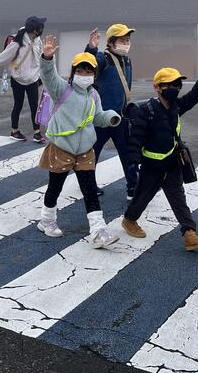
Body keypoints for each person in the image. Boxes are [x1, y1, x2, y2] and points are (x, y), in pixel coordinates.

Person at [122, 52, 198, 252]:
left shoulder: (176, 107)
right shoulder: (146, 110)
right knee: (143, 196)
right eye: (169, 85)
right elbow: (136, 136)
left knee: (178, 198)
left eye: (177, 85)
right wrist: (132, 159)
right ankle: (129, 220)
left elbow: (195, 95)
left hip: (173, 162)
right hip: (151, 166)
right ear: (156, 88)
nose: (174, 89)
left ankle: (190, 234)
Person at [36, 35, 122, 248]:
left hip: (85, 150)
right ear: (74, 72)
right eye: (80, 71)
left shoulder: (94, 96)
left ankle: (98, 230)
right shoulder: (61, 89)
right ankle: (46, 220)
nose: (85, 75)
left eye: (89, 71)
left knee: (90, 189)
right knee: (55, 187)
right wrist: (47, 57)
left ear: (94, 74)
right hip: (61, 147)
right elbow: (48, 75)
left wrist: (111, 117)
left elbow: (97, 117)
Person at [85, 23, 137, 200]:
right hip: (102, 117)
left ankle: (133, 187)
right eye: (122, 40)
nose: (126, 43)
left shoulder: (127, 60)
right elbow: (89, 65)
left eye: (128, 40)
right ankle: (88, 184)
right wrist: (91, 49)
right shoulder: (103, 58)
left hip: (121, 117)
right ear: (111, 42)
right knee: (92, 153)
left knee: (129, 153)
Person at [0, 16, 46, 142]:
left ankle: (37, 133)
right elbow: (4, 56)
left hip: (32, 79)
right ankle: (14, 131)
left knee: (34, 106)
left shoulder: (38, 41)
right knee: (18, 105)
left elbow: (39, 59)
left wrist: (41, 76)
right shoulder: (18, 42)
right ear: (35, 30)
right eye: (41, 27)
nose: (43, 29)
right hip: (18, 79)